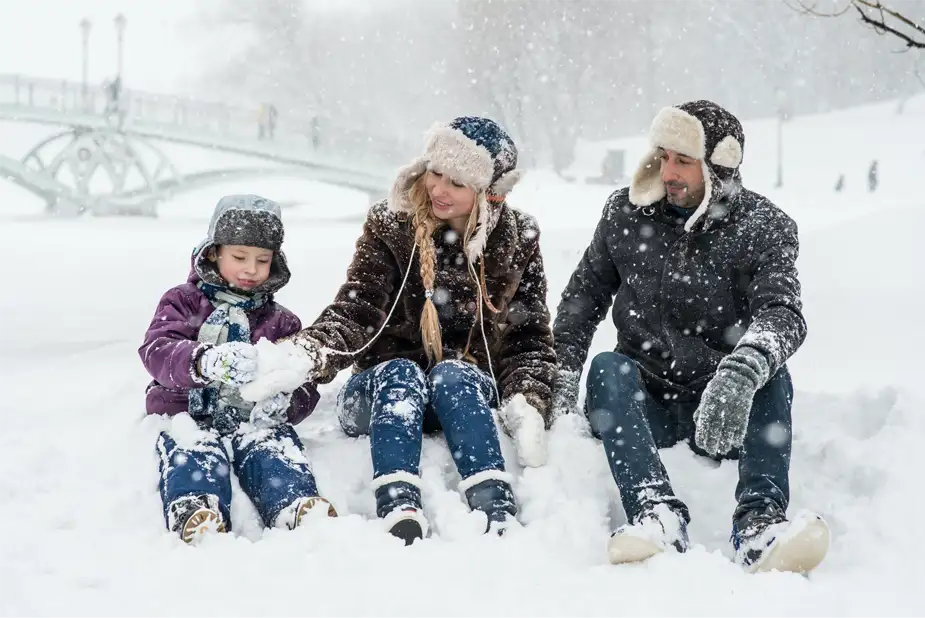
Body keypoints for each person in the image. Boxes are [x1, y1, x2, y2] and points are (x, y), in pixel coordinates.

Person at [552, 100, 829, 573]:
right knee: (606, 367)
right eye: (663, 156)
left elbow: (783, 312)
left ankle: (760, 525)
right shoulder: (624, 213)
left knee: (771, 371)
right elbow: (581, 303)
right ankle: (655, 513)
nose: (669, 171)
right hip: (645, 405)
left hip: (724, 410)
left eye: (683, 160)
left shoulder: (764, 227)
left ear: (718, 167)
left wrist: (741, 372)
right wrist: (558, 381)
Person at [278, 117, 556, 544]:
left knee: (455, 373)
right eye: (436, 173)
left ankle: (493, 501)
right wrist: (310, 352)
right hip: (380, 394)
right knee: (401, 374)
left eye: (457, 183)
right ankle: (398, 500)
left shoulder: (518, 238)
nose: (439, 190)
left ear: (489, 193)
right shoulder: (391, 225)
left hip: (460, 398)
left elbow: (529, 336)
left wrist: (528, 398)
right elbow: (357, 309)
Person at [139, 194, 336, 544]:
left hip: (252, 419)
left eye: (262, 260)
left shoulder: (281, 321)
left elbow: (303, 381)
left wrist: (287, 402)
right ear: (214, 252)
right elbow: (158, 349)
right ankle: (196, 505)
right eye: (240, 257)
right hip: (186, 411)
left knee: (273, 447)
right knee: (193, 448)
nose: (251, 270)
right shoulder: (183, 302)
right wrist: (203, 360)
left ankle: (293, 502)